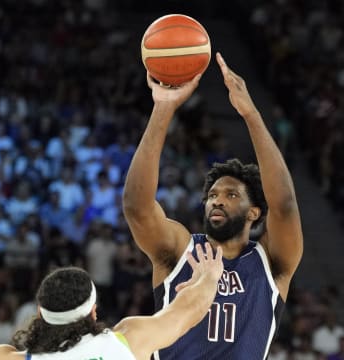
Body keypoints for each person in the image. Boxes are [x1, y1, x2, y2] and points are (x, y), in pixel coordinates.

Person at [122, 52, 304, 359]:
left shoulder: (272, 262)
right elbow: (136, 207)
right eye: (213, 195)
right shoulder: (179, 249)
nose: (217, 200)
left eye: (231, 195)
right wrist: (164, 108)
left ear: (254, 212)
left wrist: (251, 115)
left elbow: (284, 205)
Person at [0, 242, 223, 360]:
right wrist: (209, 276)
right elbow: (187, 312)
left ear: (39, 314)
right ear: (93, 312)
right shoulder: (127, 341)